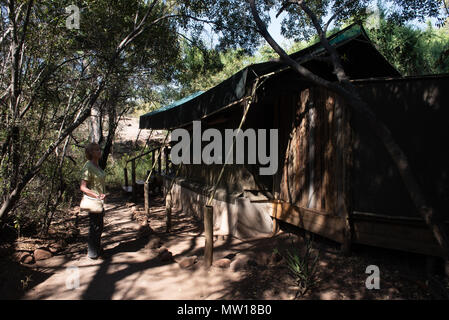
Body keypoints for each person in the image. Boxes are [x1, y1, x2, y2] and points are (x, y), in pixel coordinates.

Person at [80, 142, 107, 259]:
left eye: (99, 149)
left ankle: (96, 249)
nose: (99, 151)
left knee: (99, 226)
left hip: (99, 201)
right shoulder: (88, 166)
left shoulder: (97, 165)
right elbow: (83, 187)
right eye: (96, 150)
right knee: (95, 226)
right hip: (93, 201)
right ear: (90, 152)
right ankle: (92, 253)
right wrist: (96, 195)